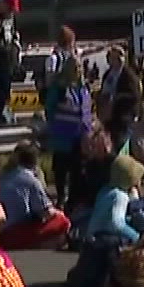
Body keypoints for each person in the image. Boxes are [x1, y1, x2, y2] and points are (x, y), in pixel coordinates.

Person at [0, 140, 71, 249]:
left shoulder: (4, 176)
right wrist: (59, 212)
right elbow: (46, 212)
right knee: (63, 221)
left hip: (4, 232)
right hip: (18, 231)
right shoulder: (30, 180)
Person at [44, 58, 92, 211]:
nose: (77, 70)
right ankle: (61, 197)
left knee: (77, 170)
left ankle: (74, 200)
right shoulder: (59, 87)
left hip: (80, 137)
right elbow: (49, 108)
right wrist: (55, 125)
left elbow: (87, 110)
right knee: (61, 169)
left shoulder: (84, 87)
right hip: (62, 136)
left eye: (79, 67)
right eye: (74, 67)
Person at [97, 45, 141, 140]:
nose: (120, 59)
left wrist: (118, 96)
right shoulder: (108, 74)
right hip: (109, 115)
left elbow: (135, 95)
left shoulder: (129, 75)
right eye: (115, 57)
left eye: (121, 56)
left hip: (124, 115)